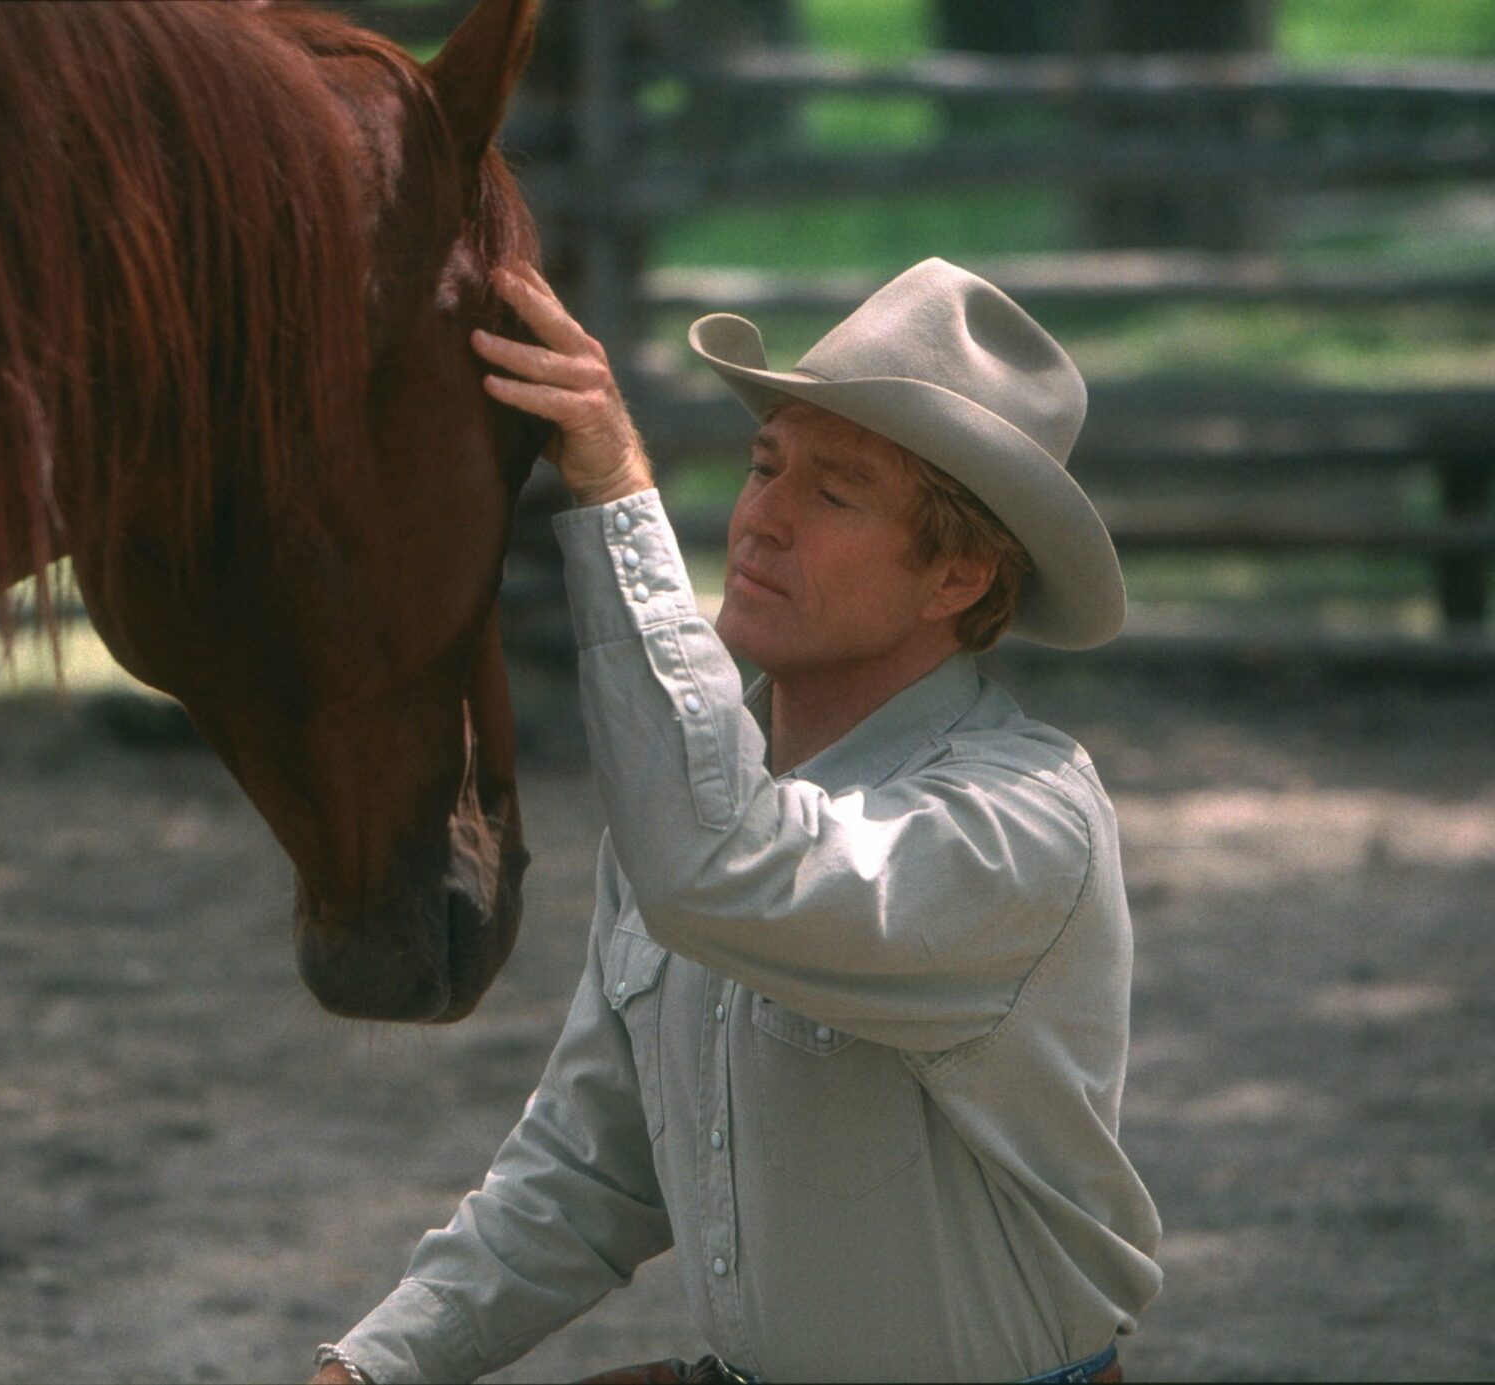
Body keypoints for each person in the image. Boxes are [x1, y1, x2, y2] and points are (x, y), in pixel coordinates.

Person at [310, 258, 1161, 1384]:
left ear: (955, 575)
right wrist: (370, 1368)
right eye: (766, 466)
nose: (760, 518)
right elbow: (585, 1171)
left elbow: (719, 864)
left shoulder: (1019, 825)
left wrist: (614, 484)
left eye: (833, 491)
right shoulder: (686, 811)